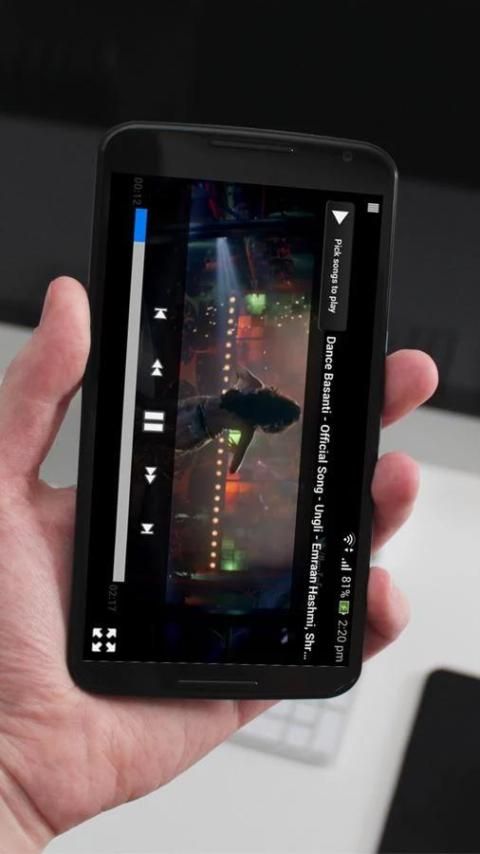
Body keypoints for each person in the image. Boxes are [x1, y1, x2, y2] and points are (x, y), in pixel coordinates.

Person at [0, 276, 438, 852]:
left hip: (192, 423)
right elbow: (243, 438)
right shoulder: (252, 414)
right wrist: (15, 788)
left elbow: (246, 414)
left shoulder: (252, 404)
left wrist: (16, 792)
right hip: (192, 427)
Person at [175, 366, 301, 474]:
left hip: (197, 406)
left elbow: (238, 369)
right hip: (199, 431)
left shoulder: (255, 386)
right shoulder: (249, 427)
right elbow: (233, 469)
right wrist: (234, 449)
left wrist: (234, 389)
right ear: (275, 420)